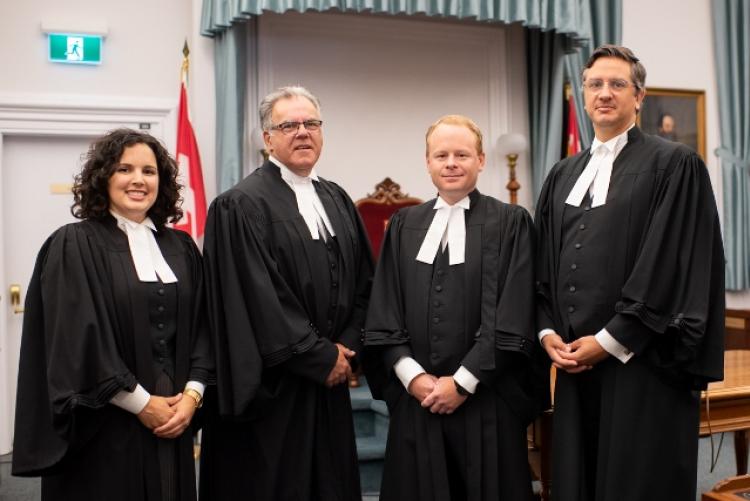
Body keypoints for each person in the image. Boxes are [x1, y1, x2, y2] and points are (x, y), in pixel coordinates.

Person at [535, 44, 725, 501]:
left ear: (639, 97)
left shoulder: (674, 165)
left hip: (643, 365)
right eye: (595, 84)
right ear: (583, 95)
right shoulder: (562, 173)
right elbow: (541, 264)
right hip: (575, 365)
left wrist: (608, 341)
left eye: (618, 84)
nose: (605, 93)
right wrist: (546, 333)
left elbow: (667, 263)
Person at [12, 128, 214, 501]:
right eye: (125, 169)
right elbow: (76, 340)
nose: (138, 180)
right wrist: (140, 403)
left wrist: (192, 396)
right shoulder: (74, 244)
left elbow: (206, 326)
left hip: (175, 418)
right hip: (106, 424)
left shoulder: (181, 247)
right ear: (103, 178)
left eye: (149, 171)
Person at [199, 86, 374, 500]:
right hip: (275, 389)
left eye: (311, 123)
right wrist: (320, 356)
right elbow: (258, 299)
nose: (302, 133)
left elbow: (367, 283)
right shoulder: (239, 205)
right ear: (267, 139)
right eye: (289, 125)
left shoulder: (337, 199)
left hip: (329, 381)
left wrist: (347, 345)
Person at [363, 115, 545, 501]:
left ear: (480, 160)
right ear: (427, 162)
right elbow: (385, 310)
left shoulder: (511, 222)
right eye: (441, 154)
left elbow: (514, 314)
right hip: (418, 402)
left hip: (487, 401)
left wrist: (462, 382)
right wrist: (412, 377)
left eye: (462, 154)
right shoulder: (403, 224)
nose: (451, 162)